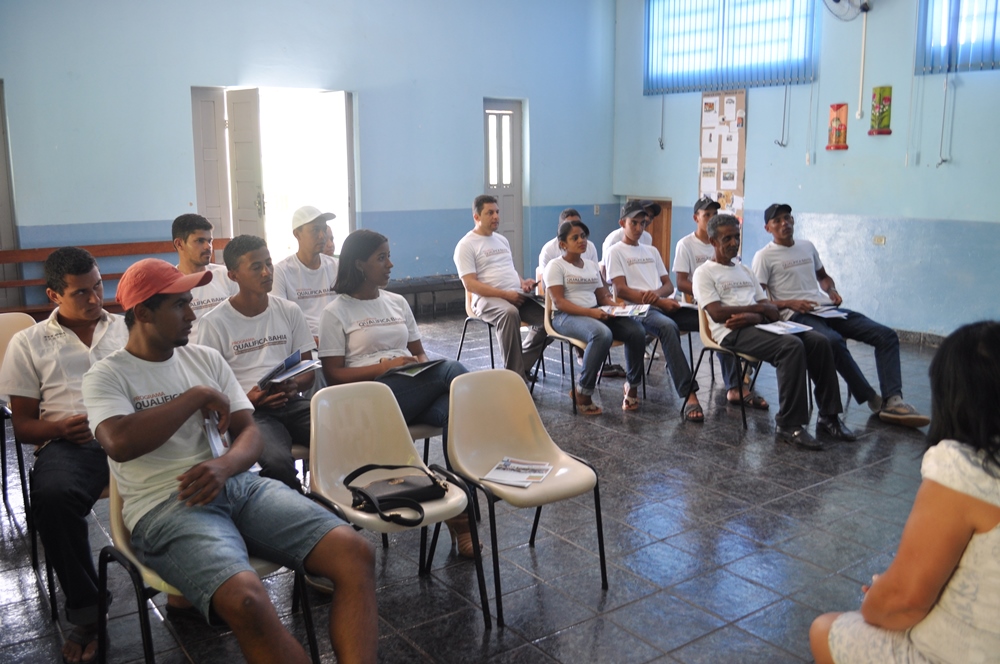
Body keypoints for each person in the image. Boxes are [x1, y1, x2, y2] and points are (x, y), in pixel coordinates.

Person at [81, 258, 377, 664]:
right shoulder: (107, 375)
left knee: (355, 553)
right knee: (246, 600)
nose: (192, 315)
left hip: (239, 485)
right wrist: (196, 396)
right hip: (167, 506)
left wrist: (225, 466)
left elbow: (250, 432)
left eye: (190, 302)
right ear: (144, 313)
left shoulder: (204, 359)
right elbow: (119, 442)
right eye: (179, 306)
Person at [810, 321, 1000, 664]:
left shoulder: (963, 467)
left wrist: (880, 596)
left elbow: (904, 602)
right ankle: (878, 400)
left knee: (824, 629)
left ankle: (876, 399)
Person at [0, 247, 128, 664]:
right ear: (54, 295)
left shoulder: (127, 328)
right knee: (52, 498)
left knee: (195, 466)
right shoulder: (29, 342)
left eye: (99, 287)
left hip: (131, 432)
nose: (95, 299)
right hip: (73, 443)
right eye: (81, 293)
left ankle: (193, 581)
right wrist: (58, 428)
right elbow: (23, 426)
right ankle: (89, 611)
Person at [317, 229, 476, 557]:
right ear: (359, 264)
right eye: (381, 258)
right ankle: (477, 482)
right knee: (452, 372)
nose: (390, 264)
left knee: (454, 412)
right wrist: (385, 367)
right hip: (368, 399)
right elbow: (333, 376)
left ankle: (461, 513)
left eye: (388, 256)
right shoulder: (336, 312)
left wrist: (417, 368)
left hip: (410, 389)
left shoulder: (397, 302)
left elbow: (419, 354)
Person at [752, 203, 929, 428]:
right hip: (796, 315)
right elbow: (759, 301)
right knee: (832, 341)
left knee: (886, 335)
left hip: (825, 309)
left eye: (787, 218)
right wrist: (790, 303)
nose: (784, 223)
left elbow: (823, 277)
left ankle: (894, 400)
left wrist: (831, 290)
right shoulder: (764, 257)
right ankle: (872, 398)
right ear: (768, 228)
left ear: (793, 220)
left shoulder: (807, 246)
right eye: (777, 221)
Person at [692, 214, 855, 450]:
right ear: (713, 241)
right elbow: (717, 313)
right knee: (790, 347)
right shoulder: (704, 273)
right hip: (730, 332)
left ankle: (829, 417)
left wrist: (756, 314)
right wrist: (758, 310)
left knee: (819, 341)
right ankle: (789, 425)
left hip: (758, 324)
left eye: (737, 237)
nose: (734, 243)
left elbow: (770, 310)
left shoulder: (744, 270)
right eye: (727, 239)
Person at [196, 235, 316, 491]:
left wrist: (293, 385)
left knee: (345, 438)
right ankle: (299, 509)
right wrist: (247, 399)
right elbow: (209, 392)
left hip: (291, 402)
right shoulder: (214, 323)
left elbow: (308, 371)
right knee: (277, 463)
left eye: (269, 264)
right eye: (256, 267)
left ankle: (340, 500)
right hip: (250, 412)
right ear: (233, 276)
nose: (266, 272)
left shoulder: (289, 310)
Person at [605, 206, 704, 422]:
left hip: (661, 304)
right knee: (668, 327)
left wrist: (658, 296)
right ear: (622, 223)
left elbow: (668, 285)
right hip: (635, 309)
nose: (639, 228)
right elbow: (621, 290)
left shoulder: (651, 251)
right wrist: (658, 301)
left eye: (643, 224)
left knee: (708, 318)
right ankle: (689, 394)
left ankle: (737, 383)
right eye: (634, 223)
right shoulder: (615, 251)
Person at [545, 218, 646, 415]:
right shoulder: (555, 266)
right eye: (575, 238)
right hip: (565, 316)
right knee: (601, 334)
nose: (581, 240)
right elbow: (559, 302)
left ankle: (632, 387)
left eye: (583, 236)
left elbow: (602, 296)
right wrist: (591, 313)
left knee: (636, 330)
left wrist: (616, 306)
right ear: (563, 244)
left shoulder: (591, 265)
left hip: (594, 311)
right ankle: (583, 392)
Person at [673, 196, 761, 409]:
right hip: (698, 305)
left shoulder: (727, 245)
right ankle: (735, 384)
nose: (711, 218)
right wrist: (706, 294)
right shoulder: (685, 245)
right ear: (696, 218)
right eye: (707, 215)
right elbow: (681, 282)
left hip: (725, 303)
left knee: (742, 320)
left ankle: (744, 366)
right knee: (721, 324)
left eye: (715, 214)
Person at [453, 194, 546, 382]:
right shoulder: (466, 245)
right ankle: (515, 380)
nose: (496, 216)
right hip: (486, 299)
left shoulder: (502, 240)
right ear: (476, 217)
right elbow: (470, 284)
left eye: (497, 212)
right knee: (509, 313)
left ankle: (519, 367)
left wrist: (522, 283)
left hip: (516, 295)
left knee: (550, 321)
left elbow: (508, 269)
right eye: (490, 213)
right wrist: (506, 295)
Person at [272, 205, 339, 341]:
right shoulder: (281, 271)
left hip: (339, 338)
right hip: (303, 344)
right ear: (297, 234)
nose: (322, 236)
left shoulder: (336, 266)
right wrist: (310, 342)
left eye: (323, 229)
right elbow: (279, 318)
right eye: (315, 230)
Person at [171, 213, 238, 337]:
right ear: (179, 244)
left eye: (210, 241)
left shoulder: (226, 275)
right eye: (200, 241)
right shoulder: (169, 285)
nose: (208, 246)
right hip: (189, 348)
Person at [537, 208, 599, 277]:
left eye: (578, 224)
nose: (574, 228)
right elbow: (544, 281)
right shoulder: (549, 250)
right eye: (568, 225)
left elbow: (597, 276)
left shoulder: (589, 247)